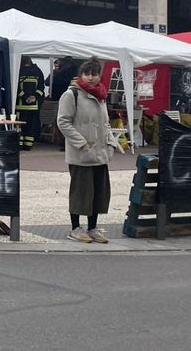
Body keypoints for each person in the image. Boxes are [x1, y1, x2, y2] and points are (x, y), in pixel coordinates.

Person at [56, 58, 124, 244]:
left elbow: (105, 123)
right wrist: (81, 142)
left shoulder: (101, 95)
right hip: (82, 153)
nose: (91, 78)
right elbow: (63, 122)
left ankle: (92, 227)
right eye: (87, 74)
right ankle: (75, 228)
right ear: (81, 75)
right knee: (81, 192)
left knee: (98, 192)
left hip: (100, 153)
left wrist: (110, 142)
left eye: (94, 74)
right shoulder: (72, 95)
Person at [15, 56, 45, 152]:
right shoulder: (38, 71)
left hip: (20, 106)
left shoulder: (19, 71)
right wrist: (34, 97)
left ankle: (20, 145)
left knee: (20, 126)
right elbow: (41, 88)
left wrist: (25, 97)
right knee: (30, 127)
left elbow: (16, 87)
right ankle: (28, 145)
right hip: (33, 106)